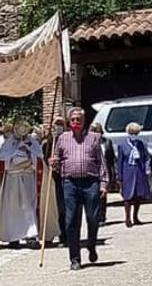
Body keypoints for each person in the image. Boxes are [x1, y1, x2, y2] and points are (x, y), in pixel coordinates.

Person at [50, 107, 108, 271]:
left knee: (92, 218)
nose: (76, 122)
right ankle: (75, 258)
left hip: (91, 182)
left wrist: (104, 183)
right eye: (73, 119)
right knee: (71, 222)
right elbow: (56, 160)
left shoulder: (94, 138)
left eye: (79, 120)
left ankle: (91, 244)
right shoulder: (62, 138)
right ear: (69, 122)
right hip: (70, 183)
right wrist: (53, 162)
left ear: (84, 121)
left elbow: (101, 162)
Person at [0, 120, 42, 249]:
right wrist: (15, 152)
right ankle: (13, 237)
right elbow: (1, 157)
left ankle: (31, 236)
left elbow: (39, 157)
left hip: (27, 177)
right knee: (13, 208)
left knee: (29, 206)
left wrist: (28, 150)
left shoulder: (32, 142)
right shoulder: (8, 143)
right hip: (13, 178)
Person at [117, 123, 152, 227]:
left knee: (138, 196)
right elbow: (119, 161)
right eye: (132, 133)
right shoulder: (122, 145)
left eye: (136, 133)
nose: (134, 135)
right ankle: (127, 218)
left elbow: (146, 157)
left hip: (139, 171)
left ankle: (135, 217)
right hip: (127, 172)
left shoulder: (141, 144)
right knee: (128, 196)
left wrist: (147, 170)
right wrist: (119, 176)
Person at [43, 116, 67, 246]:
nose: (57, 127)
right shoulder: (47, 144)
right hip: (50, 179)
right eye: (55, 124)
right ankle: (49, 235)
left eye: (60, 124)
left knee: (63, 209)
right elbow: (42, 159)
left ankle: (64, 236)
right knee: (51, 208)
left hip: (63, 178)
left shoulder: (69, 141)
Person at [90, 122, 117, 226]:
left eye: (98, 131)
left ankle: (101, 217)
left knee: (102, 195)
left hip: (105, 172)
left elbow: (112, 159)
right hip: (92, 172)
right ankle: (94, 217)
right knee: (93, 196)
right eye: (94, 131)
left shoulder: (107, 142)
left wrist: (114, 173)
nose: (97, 133)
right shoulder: (88, 142)